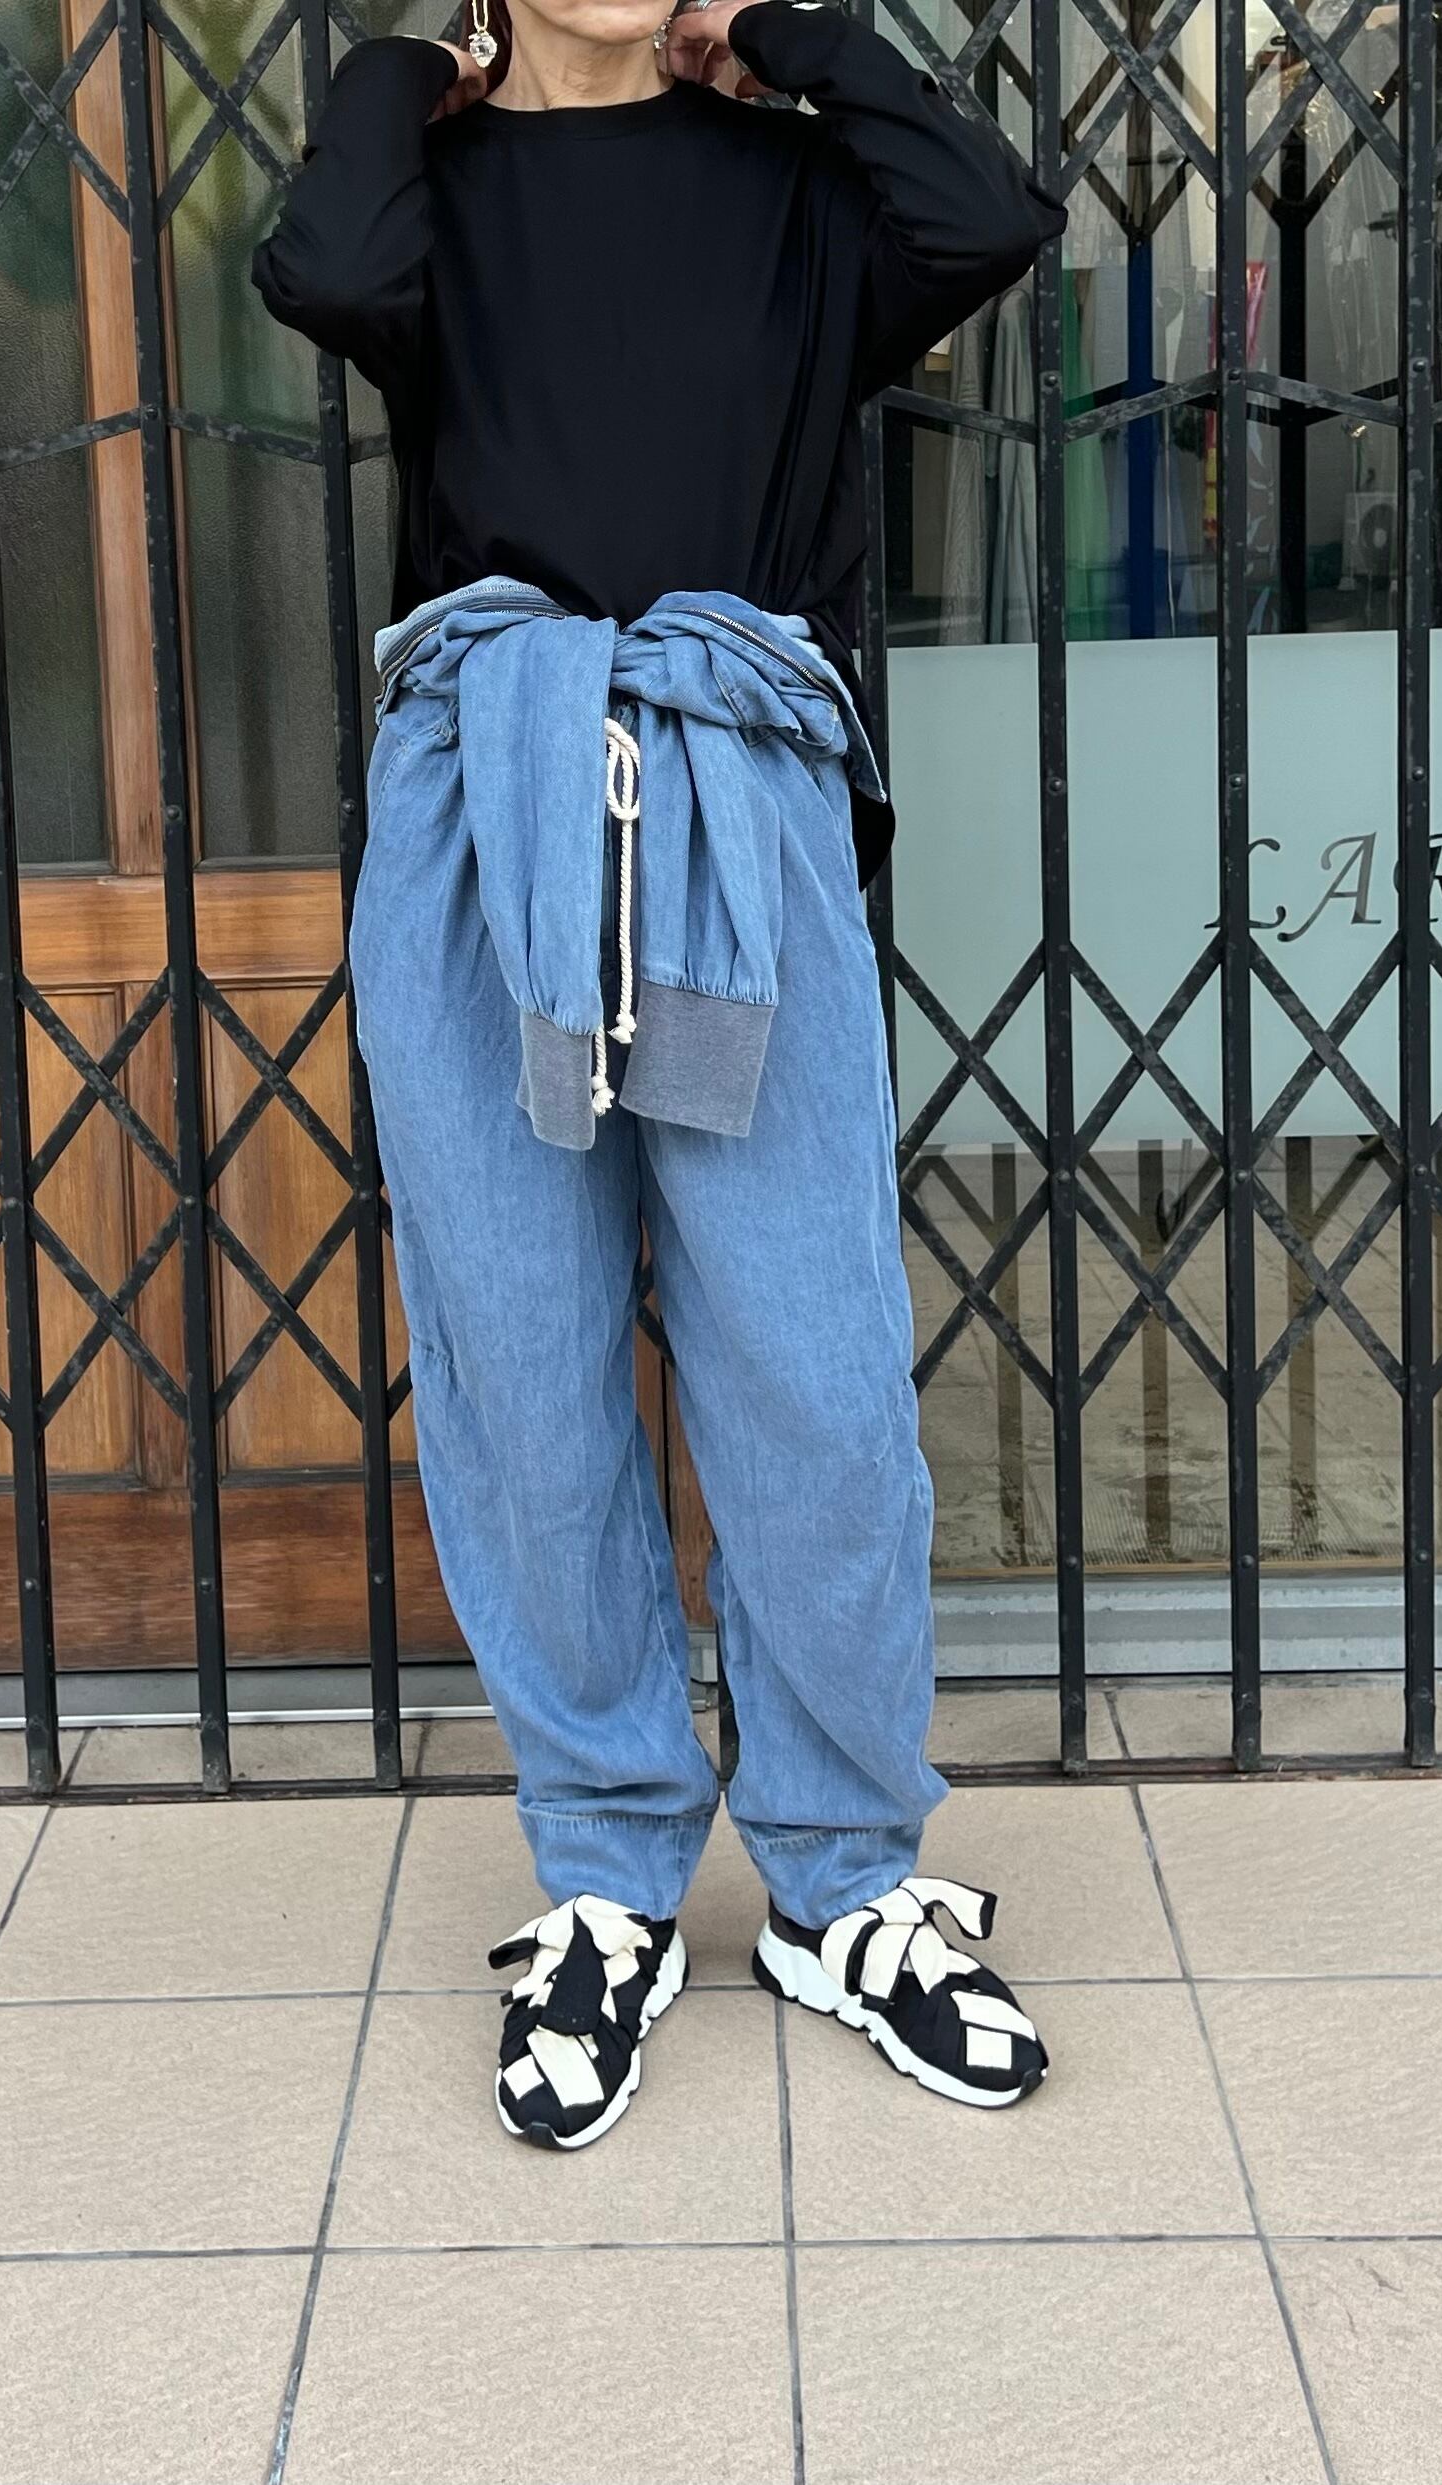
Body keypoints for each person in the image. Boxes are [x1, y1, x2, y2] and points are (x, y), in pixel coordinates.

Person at [257, 0, 1063, 2150]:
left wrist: (788, 39)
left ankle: (844, 1880)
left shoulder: (797, 191)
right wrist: (405, 72)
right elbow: (323, 266)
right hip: (482, 811)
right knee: (522, 1366)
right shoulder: (427, 193)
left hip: (738, 800)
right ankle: (608, 1874)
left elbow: (986, 213)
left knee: (811, 1365)